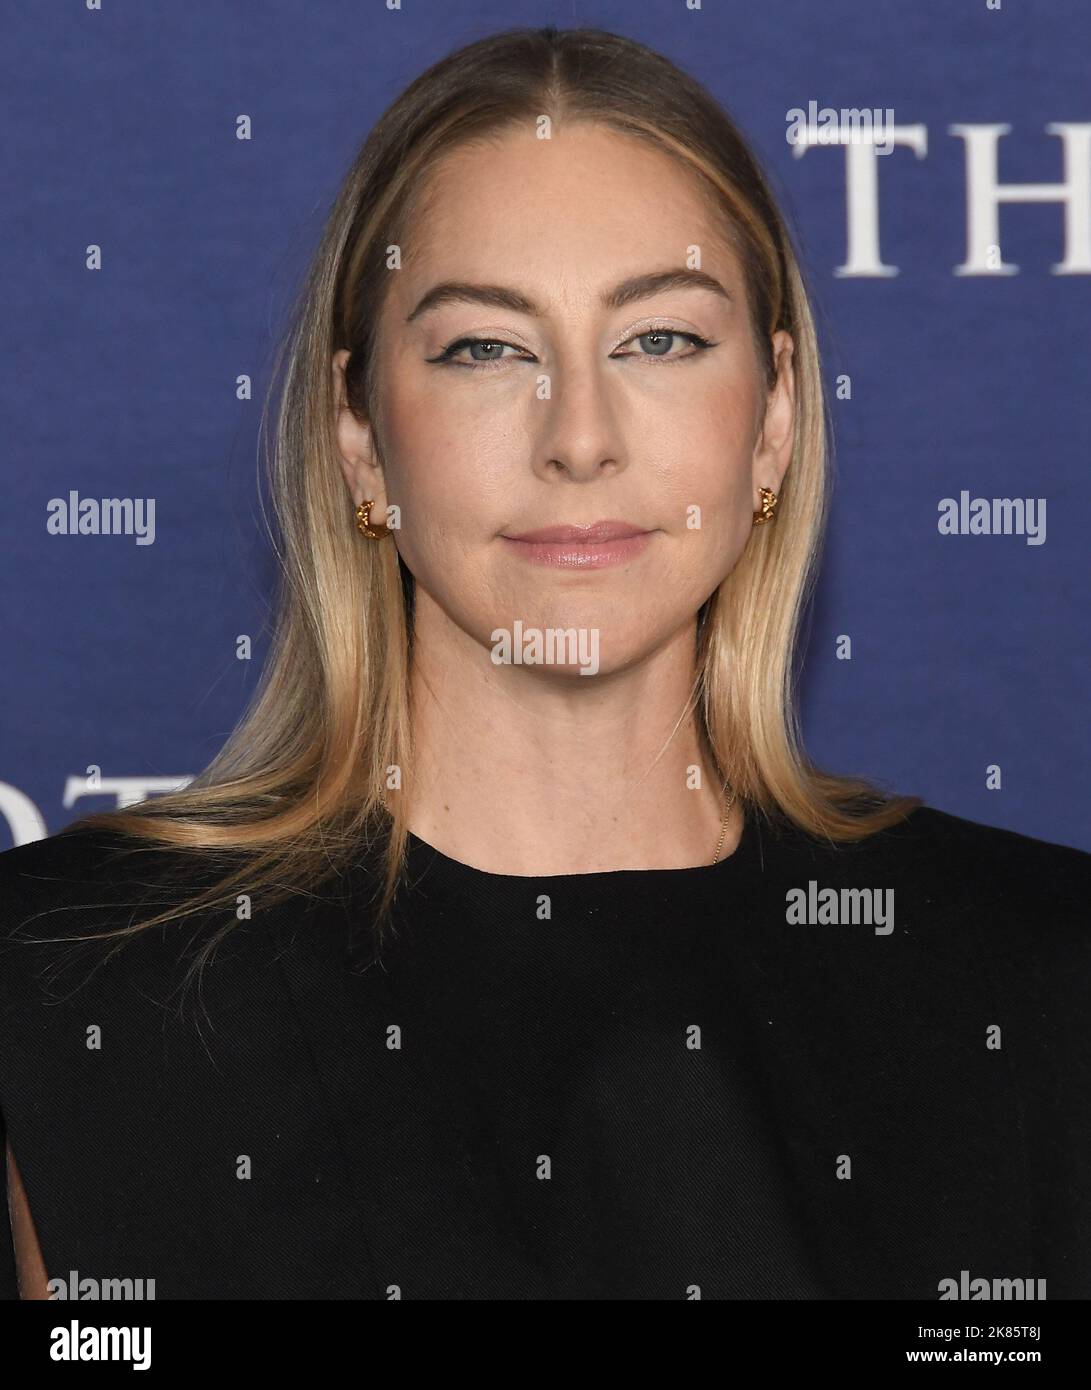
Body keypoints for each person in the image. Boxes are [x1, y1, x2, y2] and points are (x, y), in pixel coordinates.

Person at [2, 25, 1088, 1301]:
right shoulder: (74, 976)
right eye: (485, 348)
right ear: (359, 438)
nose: (578, 436)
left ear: (774, 413)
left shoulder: (1035, 975)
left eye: (660, 340)